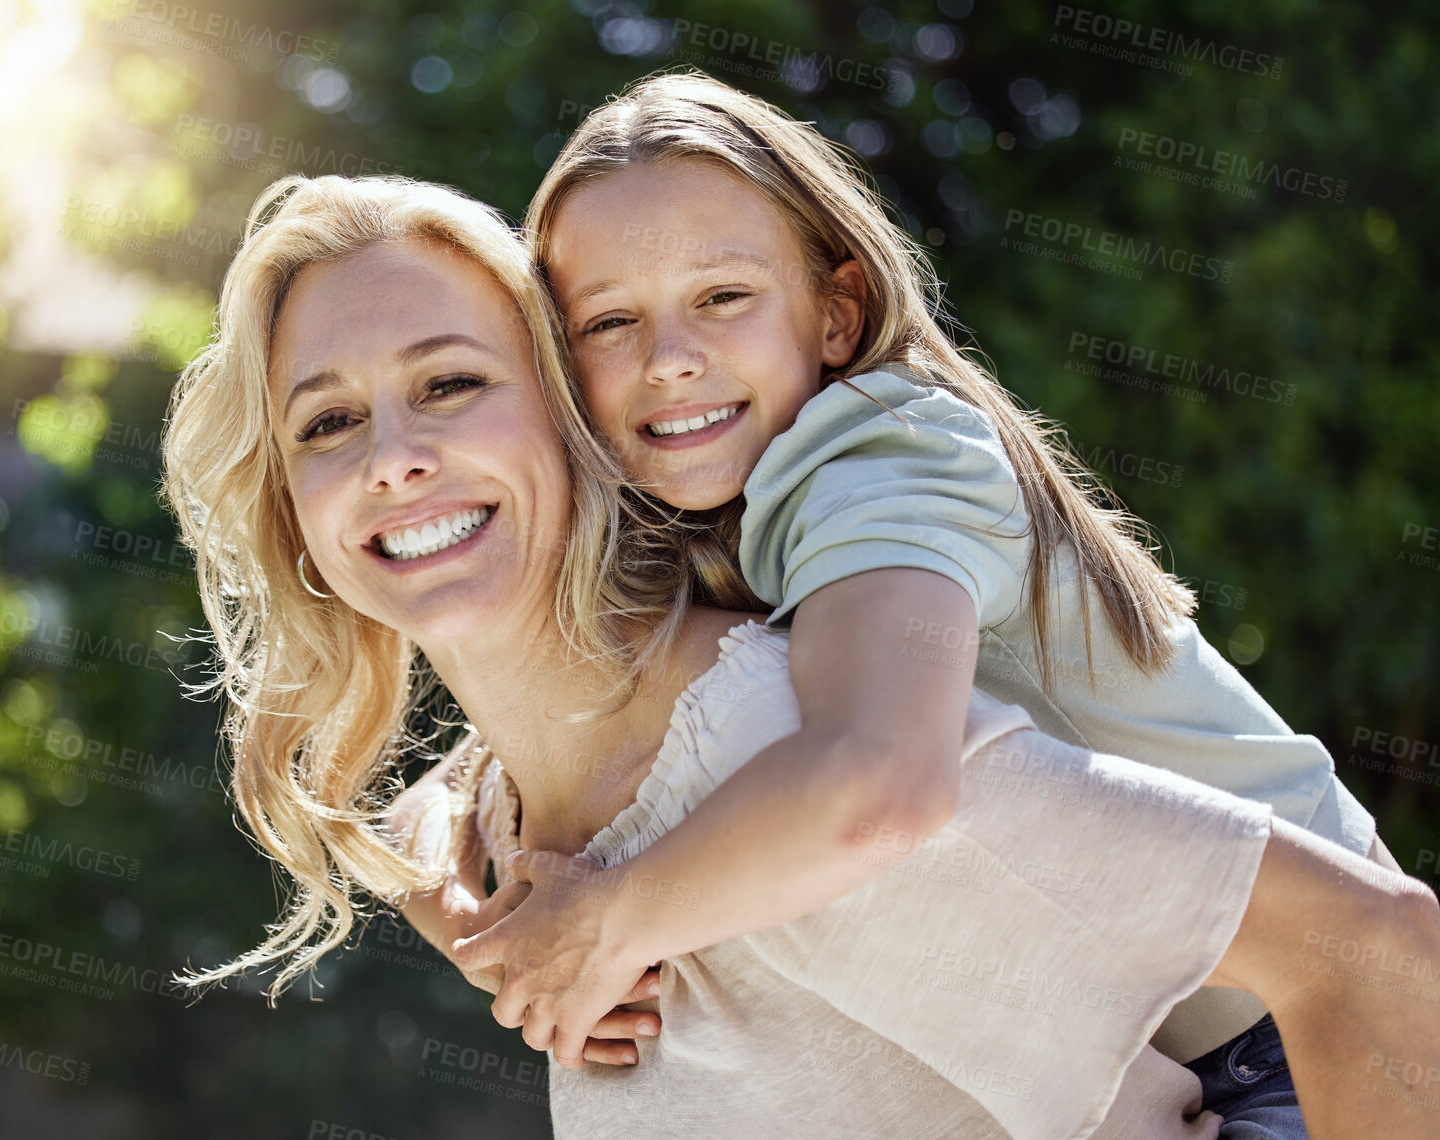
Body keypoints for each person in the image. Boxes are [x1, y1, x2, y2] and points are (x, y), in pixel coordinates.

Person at [158, 172, 1440, 1139]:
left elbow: (1373, 949)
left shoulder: (782, 740)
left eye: (449, 384)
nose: (392, 456)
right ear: (292, 512)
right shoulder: (502, 846)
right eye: (327, 421)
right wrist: (476, 915)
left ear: (574, 424)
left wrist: (602, 916)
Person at [446, 71, 1411, 1134]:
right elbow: (442, 798)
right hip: (1200, 1028)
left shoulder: (879, 459)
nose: (670, 360)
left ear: (837, 311)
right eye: (609, 321)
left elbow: (884, 782)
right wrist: (489, 926)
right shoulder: (709, 513)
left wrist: (610, 924)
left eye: (723, 298)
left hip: (1309, 1012)